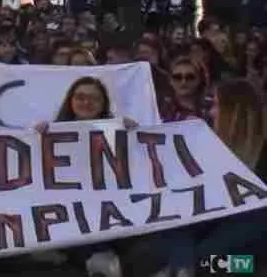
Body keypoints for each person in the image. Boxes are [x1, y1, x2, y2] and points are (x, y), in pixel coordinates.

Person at [134, 79, 267, 277]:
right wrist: (133, 135)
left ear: (235, 110)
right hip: (195, 254)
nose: (210, 113)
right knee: (146, 254)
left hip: (251, 264)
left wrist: (194, 263)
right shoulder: (206, 151)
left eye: (215, 105)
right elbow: (185, 211)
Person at [33, 76, 138, 277]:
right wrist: (35, 136)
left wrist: (134, 134)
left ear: (103, 103)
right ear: (70, 101)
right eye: (80, 97)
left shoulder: (118, 132)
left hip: (107, 214)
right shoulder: (51, 131)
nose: (86, 103)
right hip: (66, 214)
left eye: (93, 98)